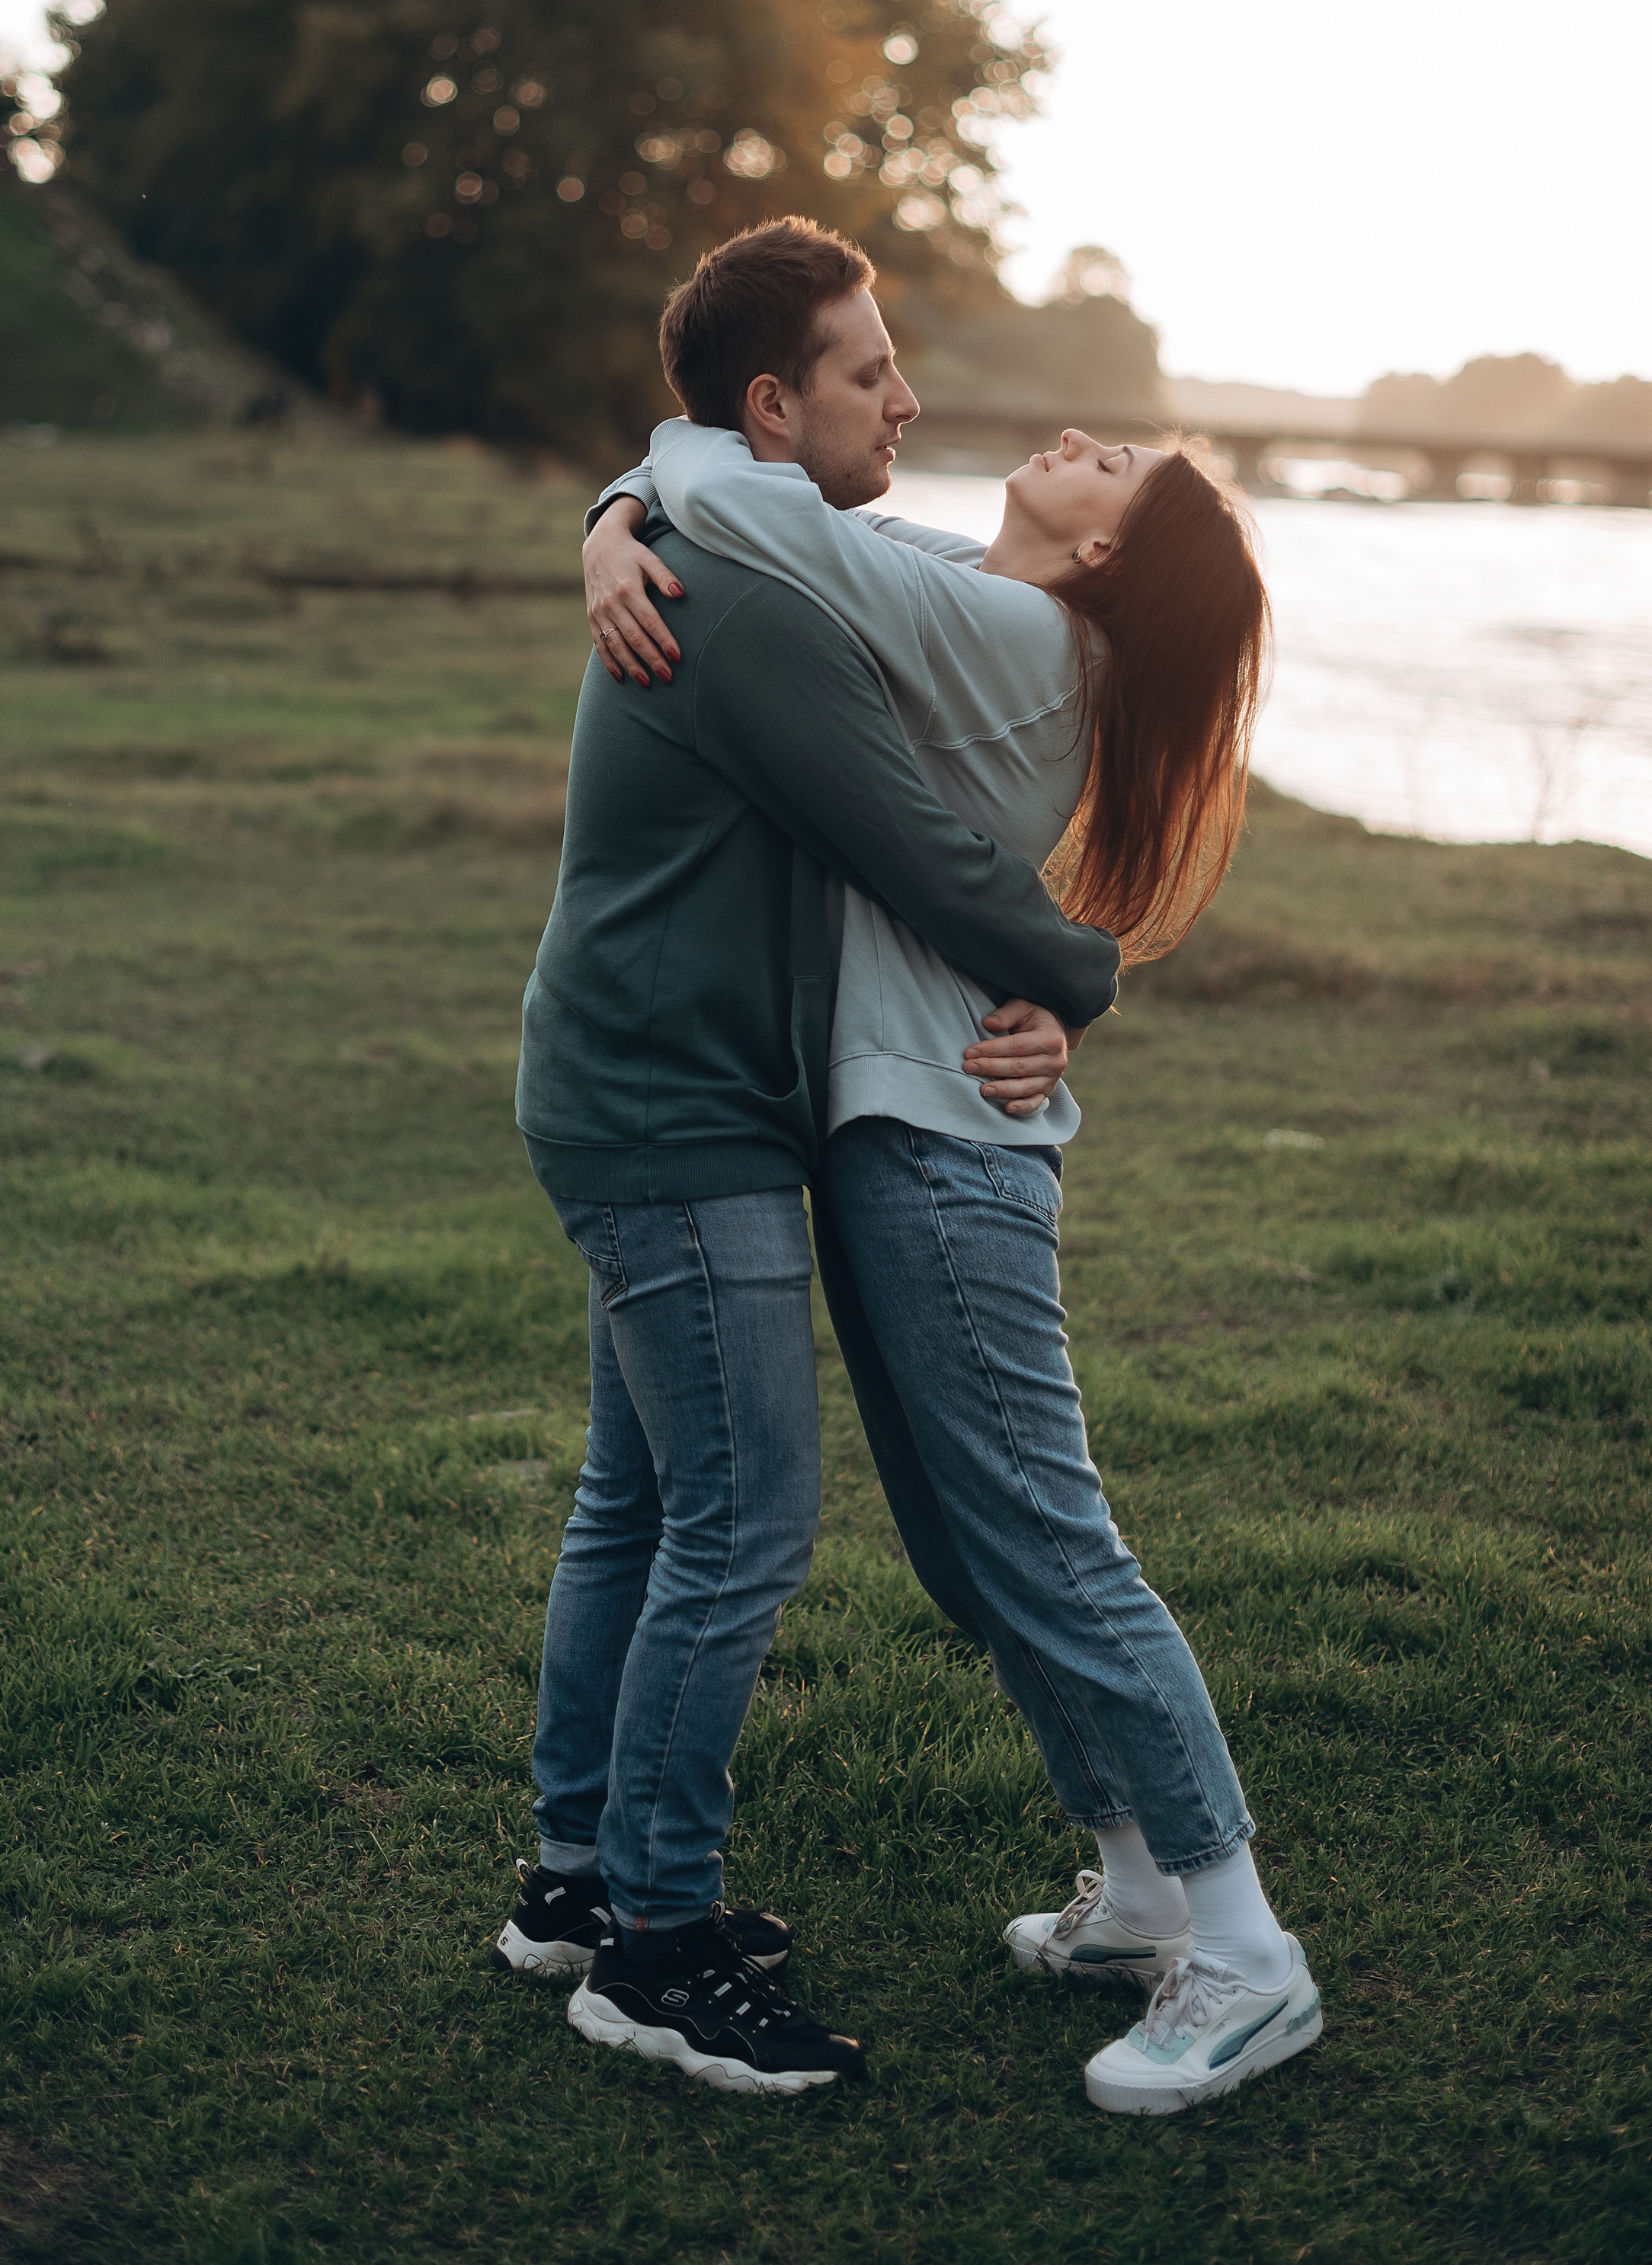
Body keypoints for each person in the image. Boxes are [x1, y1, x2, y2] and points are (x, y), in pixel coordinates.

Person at [581, 239, 1325, 2118]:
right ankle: (1138, 1875)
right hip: (901, 1131)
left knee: (1051, 1545)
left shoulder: (1000, 635)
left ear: (1097, 562)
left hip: (939, 1149)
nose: (1074, 440)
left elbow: (756, 518)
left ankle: (1239, 1950)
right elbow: (766, 509)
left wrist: (628, 492)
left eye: (1112, 475)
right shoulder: (984, 598)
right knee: (970, 1543)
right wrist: (615, 506)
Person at [497, 218, 1121, 2099]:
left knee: (640, 1493)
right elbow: (919, 851)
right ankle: (657, 1954)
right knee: (743, 1514)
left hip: (649, 1088)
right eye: (867, 370)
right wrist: (1084, 980)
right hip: (674, 1115)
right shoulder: (754, 600)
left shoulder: (742, 530)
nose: (906, 397)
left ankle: (571, 1885)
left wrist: (608, 503)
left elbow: (685, 471)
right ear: (775, 406)